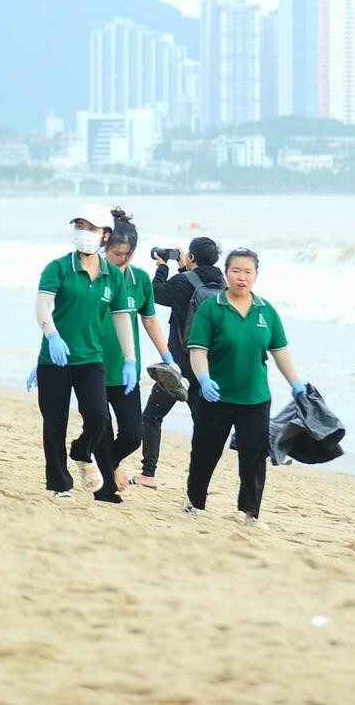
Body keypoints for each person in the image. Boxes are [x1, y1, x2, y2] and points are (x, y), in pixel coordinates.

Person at [183, 247, 308, 522]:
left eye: (248, 272)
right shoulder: (211, 308)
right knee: (206, 451)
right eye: (236, 271)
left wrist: (296, 384)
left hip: (255, 397)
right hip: (216, 396)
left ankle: (251, 513)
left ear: (256, 275)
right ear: (226, 273)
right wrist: (204, 379)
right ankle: (193, 500)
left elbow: (280, 351)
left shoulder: (266, 311)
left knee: (253, 456)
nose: (242, 277)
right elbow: (198, 349)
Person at [34, 205, 135, 502]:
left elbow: (121, 317)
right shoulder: (59, 267)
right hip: (55, 358)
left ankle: (81, 450)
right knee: (54, 423)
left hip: (91, 358)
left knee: (99, 417)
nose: (84, 233)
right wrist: (51, 335)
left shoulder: (111, 277)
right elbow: (42, 305)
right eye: (79, 225)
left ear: (105, 235)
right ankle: (59, 485)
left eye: (91, 228)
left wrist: (130, 359)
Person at [68, 207, 173, 491]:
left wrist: (167, 355)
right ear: (105, 245)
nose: (122, 259)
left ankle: (97, 458)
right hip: (92, 364)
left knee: (132, 435)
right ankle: (105, 487)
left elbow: (149, 318)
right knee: (101, 425)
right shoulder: (93, 275)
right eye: (117, 254)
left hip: (126, 370)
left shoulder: (139, 280)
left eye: (128, 254)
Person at [138, 236, 224, 490]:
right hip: (208, 367)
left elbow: (155, 294)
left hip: (179, 367)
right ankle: (199, 485)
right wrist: (186, 266)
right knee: (203, 428)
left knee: (152, 416)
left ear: (192, 257)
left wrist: (163, 265)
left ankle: (148, 474)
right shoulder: (223, 283)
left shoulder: (180, 282)